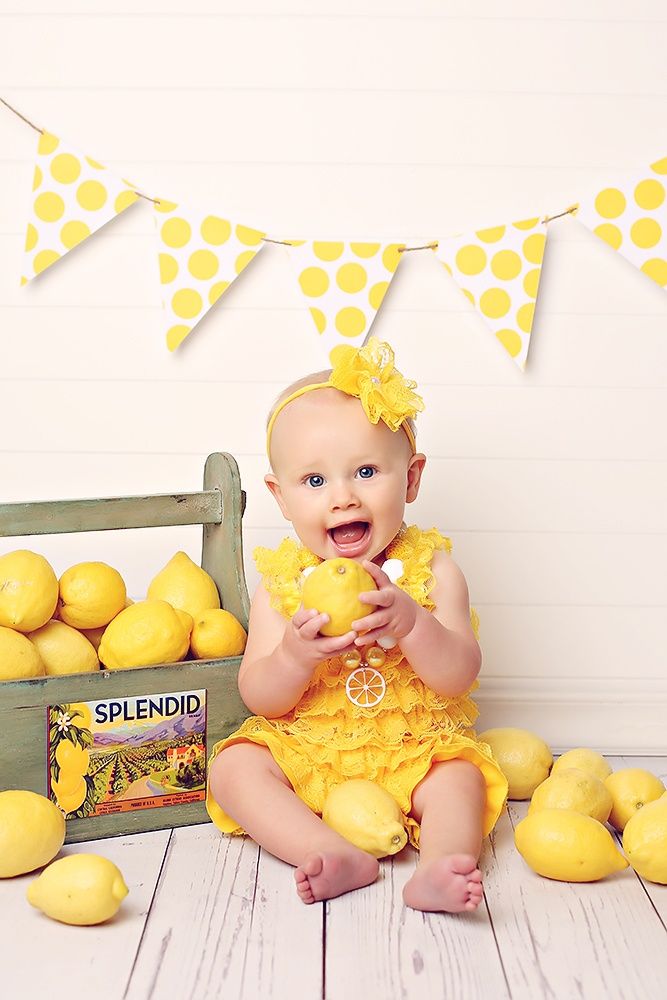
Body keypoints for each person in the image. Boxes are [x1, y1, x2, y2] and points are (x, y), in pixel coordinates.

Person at [206, 337, 508, 913]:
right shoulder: (284, 585)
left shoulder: (432, 572)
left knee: (460, 778)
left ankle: (441, 867)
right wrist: (295, 656)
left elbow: (458, 676)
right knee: (234, 767)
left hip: (412, 751)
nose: (342, 498)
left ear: (412, 479)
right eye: (314, 482)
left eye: (366, 472)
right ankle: (326, 851)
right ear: (282, 498)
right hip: (309, 750)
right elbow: (259, 697)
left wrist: (412, 622)